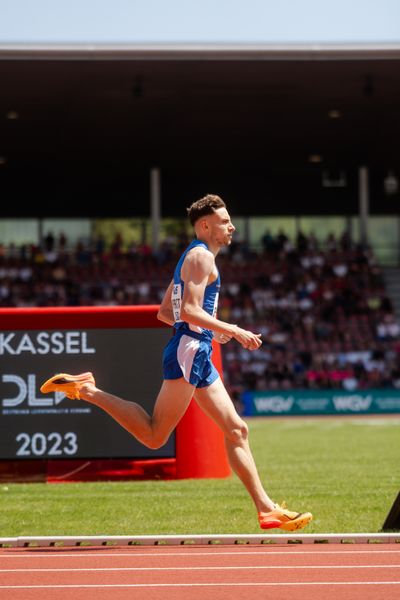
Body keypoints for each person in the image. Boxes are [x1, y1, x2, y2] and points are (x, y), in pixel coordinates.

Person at [41, 194, 312, 531]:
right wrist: (232, 329)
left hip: (196, 347)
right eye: (225, 221)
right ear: (205, 225)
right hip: (190, 351)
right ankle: (88, 389)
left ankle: (266, 509)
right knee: (155, 435)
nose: (232, 227)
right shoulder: (201, 258)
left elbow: (165, 312)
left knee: (237, 429)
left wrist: (208, 332)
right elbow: (188, 311)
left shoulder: (195, 256)